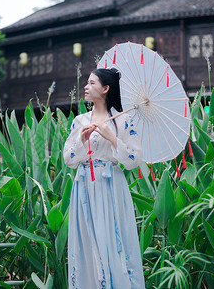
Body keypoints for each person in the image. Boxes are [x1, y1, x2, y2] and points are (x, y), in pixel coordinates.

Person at [63, 68, 145, 288]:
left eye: (91, 83)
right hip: (84, 188)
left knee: (113, 241)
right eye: (86, 83)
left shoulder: (123, 120)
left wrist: (112, 138)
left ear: (106, 88)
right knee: (86, 242)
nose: (86, 87)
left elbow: (134, 159)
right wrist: (81, 140)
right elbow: (68, 159)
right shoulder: (80, 121)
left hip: (110, 186)